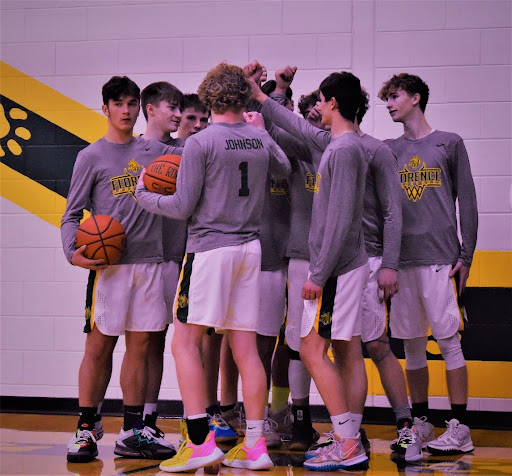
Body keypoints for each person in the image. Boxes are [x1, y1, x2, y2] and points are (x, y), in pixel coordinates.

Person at [136, 63, 291, 472]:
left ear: (208, 99)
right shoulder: (257, 139)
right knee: (245, 348)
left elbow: (182, 207)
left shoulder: (200, 143)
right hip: (250, 250)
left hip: (209, 250)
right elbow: (285, 169)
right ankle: (256, 445)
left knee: (184, 343)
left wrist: (144, 196)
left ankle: (200, 441)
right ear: (243, 98)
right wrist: (260, 132)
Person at [62, 76, 179, 463]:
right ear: (106, 109)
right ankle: (85, 427)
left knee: (142, 346)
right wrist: (72, 253)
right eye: (118, 104)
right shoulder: (91, 157)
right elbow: (71, 215)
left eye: (132, 103)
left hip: (151, 263)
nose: (126, 111)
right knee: (100, 345)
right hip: (110, 266)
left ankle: (132, 430)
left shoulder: (155, 152)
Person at [378, 73, 478, 455]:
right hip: (403, 261)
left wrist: (467, 254)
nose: (389, 103)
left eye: (394, 96)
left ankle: (461, 427)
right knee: (413, 346)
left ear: (416, 98)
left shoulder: (449, 143)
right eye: (386, 98)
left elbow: (466, 201)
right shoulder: (388, 149)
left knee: (450, 342)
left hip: (441, 260)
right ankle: (420, 422)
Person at [140, 81, 187, 443]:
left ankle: (198, 417)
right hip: (144, 260)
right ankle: (145, 417)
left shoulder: (187, 150)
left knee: (185, 340)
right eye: (171, 107)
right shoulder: (136, 151)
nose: (177, 113)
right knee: (149, 341)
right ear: (151, 109)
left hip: (180, 257)